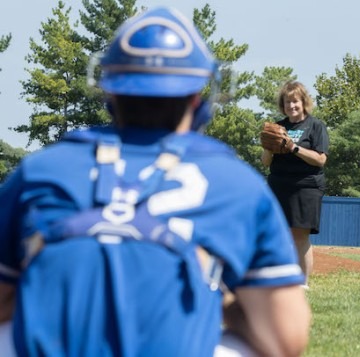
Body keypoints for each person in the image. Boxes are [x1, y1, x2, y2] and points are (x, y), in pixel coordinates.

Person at [0, 6, 311, 357]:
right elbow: (287, 338)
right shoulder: (235, 182)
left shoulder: (42, 169)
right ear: (197, 99)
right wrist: (222, 301)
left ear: (110, 93)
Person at [261, 81, 329, 288]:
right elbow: (266, 162)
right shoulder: (278, 126)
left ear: (303, 102)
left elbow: (320, 159)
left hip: (305, 186)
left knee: (300, 235)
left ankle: (303, 283)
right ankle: (282, 279)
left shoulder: (315, 126)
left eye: (295, 101)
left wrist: (293, 147)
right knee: (280, 234)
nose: (291, 106)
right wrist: (268, 146)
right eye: (287, 102)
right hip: (279, 184)